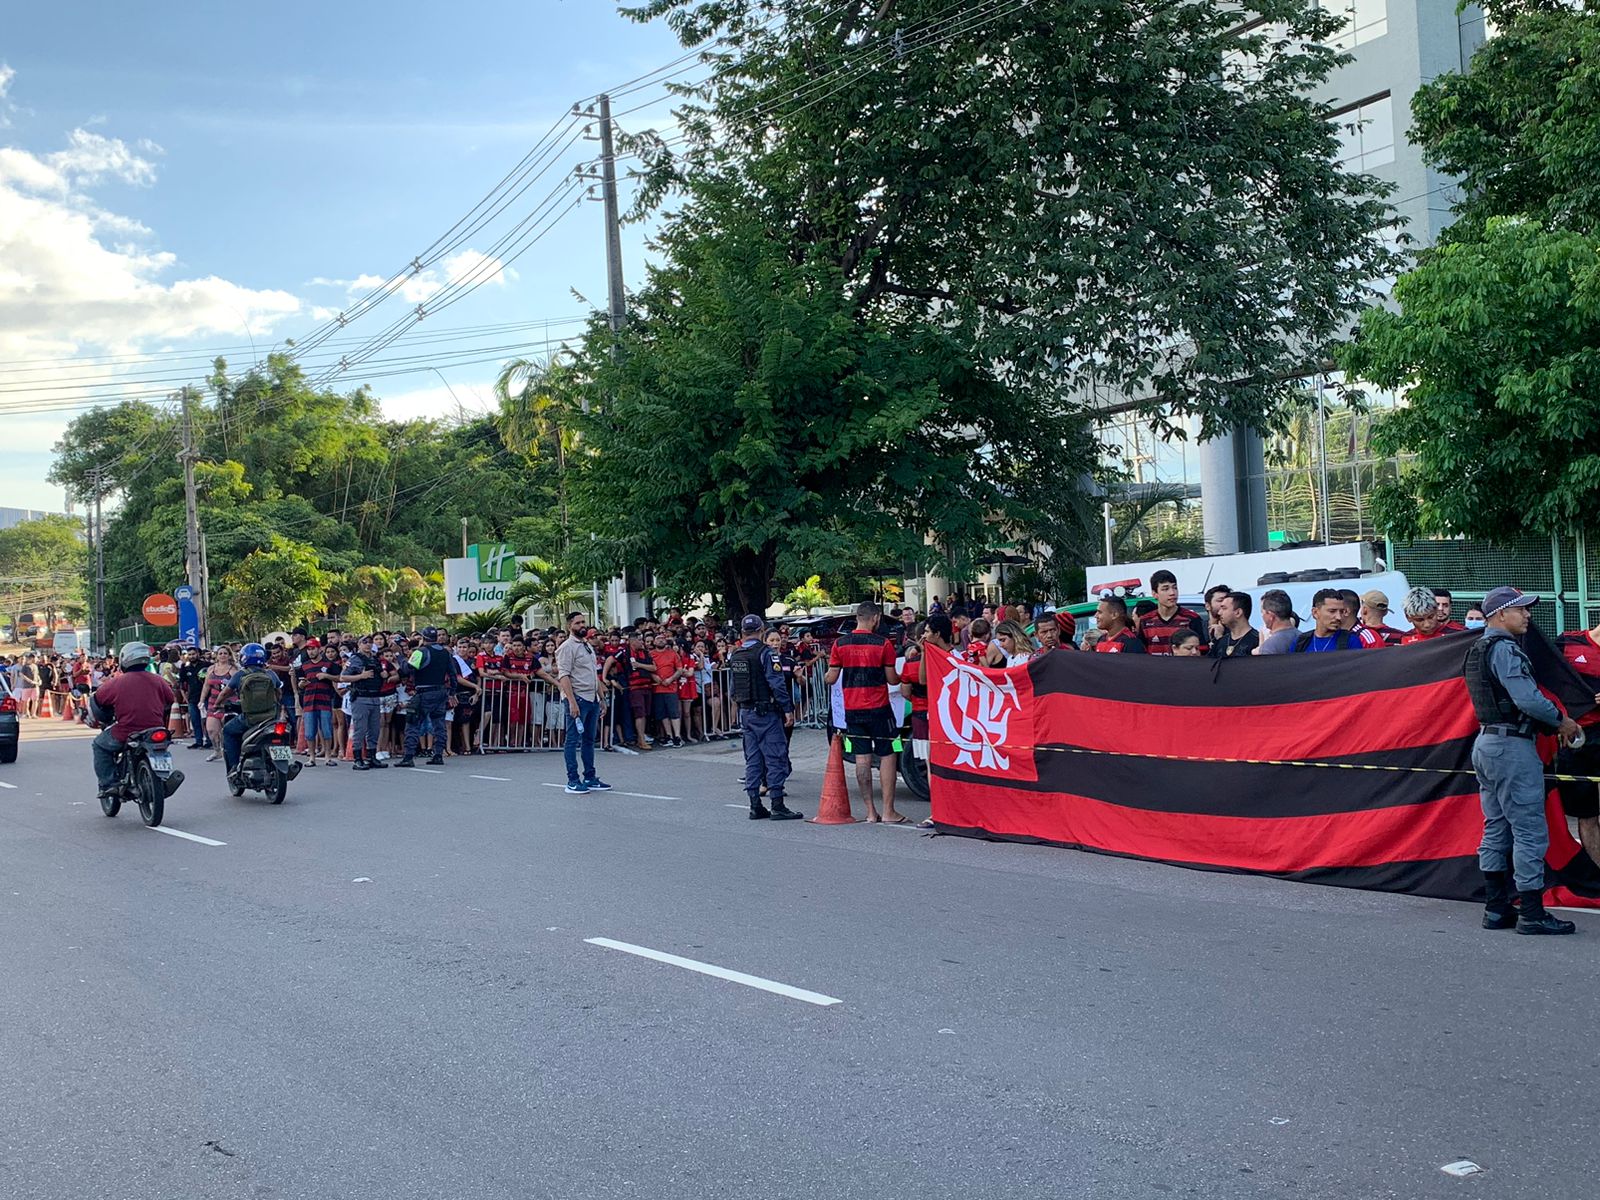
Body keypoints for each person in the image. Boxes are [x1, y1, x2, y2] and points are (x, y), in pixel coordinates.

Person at [1466, 586, 1582, 935]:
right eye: (1521, 610)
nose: (1528, 616)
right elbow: (1527, 700)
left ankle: (1497, 908)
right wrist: (1561, 721)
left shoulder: (1477, 647)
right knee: (1530, 831)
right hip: (1511, 747)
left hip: (1487, 743)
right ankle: (1532, 912)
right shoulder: (1504, 649)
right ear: (1501, 615)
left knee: (1496, 826)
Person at [825, 601, 904, 823]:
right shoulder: (883, 644)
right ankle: (889, 811)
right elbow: (891, 679)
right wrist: (903, 676)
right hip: (879, 709)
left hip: (852, 710)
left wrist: (824, 676)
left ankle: (870, 812)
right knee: (888, 754)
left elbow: (831, 678)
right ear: (876, 618)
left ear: (857, 617)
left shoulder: (840, 644)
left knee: (862, 758)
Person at [730, 614, 801, 820]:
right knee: (775, 756)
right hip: (766, 713)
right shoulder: (767, 654)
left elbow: (733, 689)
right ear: (761, 631)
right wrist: (788, 709)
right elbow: (777, 683)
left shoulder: (736, 655)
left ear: (743, 633)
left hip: (746, 712)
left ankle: (755, 804)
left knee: (753, 759)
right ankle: (777, 805)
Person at [90, 642, 177, 798]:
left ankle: (109, 784)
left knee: (99, 745)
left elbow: (98, 700)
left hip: (126, 731)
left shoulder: (116, 682)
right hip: (156, 730)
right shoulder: (158, 680)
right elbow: (170, 700)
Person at [1554, 618, 1600, 866]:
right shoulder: (1567, 643)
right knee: (1586, 813)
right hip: (1577, 738)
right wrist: (1560, 723)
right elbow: (1547, 684)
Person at [555, 611, 610, 794]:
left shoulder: (586, 645)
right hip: (578, 698)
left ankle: (590, 776)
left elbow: (593, 674)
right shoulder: (566, 647)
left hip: (592, 698)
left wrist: (601, 698)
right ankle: (572, 780)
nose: (582, 625)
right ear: (570, 625)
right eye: (578, 623)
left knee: (588, 740)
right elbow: (564, 676)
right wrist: (572, 702)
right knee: (572, 740)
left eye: (583, 622)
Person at [216, 642, 283, 774]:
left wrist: (216, 704)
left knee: (228, 731)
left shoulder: (240, 675)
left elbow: (224, 693)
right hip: (271, 717)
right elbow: (279, 693)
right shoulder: (271, 674)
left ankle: (234, 767)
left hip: (249, 718)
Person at [397, 627, 454, 768]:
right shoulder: (445, 653)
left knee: (412, 723)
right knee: (439, 724)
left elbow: (407, 669)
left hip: (424, 692)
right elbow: (453, 674)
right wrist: (452, 693)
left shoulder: (421, 652)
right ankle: (438, 754)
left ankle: (408, 757)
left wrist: (400, 656)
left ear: (423, 638)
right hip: (441, 691)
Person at [1137, 570, 1207, 654]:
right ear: (1154, 593)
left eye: (1175, 588)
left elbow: (1202, 651)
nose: (1172, 593)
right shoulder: (1145, 621)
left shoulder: (1191, 618)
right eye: (1165, 589)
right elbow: (1141, 655)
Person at [342, 636, 386, 770]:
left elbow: (383, 674)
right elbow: (343, 676)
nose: (368, 645)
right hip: (361, 698)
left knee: (374, 729)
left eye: (370, 642)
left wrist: (383, 673)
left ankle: (372, 757)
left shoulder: (374, 659)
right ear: (359, 645)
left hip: (374, 697)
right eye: (364, 642)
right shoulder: (355, 659)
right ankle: (357, 758)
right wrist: (361, 676)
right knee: (360, 729)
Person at [1289, 590, 1362, 652]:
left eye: (1342, 611)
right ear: (1315, 612)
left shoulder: (1350, 641)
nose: (1338, 617)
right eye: (1332, 611)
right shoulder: (1300, 642)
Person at [1208, 591, 1260, 657]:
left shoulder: (1257, 641)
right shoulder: (1221, 642)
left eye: (1224, 608)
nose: (1219, 613)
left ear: (1238, 612)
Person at [1254, 590, 1300, 655]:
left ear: (1270, 616)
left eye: (1262, 612)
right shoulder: (1304, 638)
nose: (1262, 616)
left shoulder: (1269, 647)